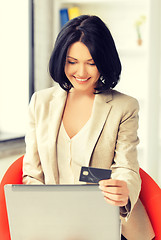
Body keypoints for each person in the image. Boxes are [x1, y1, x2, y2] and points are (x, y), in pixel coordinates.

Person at [23, 15, 155, 239]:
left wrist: (123, 190)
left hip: (108, 222)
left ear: (104, 61)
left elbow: (127, 167)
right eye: (72, 62)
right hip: (55, 223)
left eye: (91, 63)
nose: (81, 73)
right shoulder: (40, 103)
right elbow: (32, 174)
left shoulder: (124, 107)